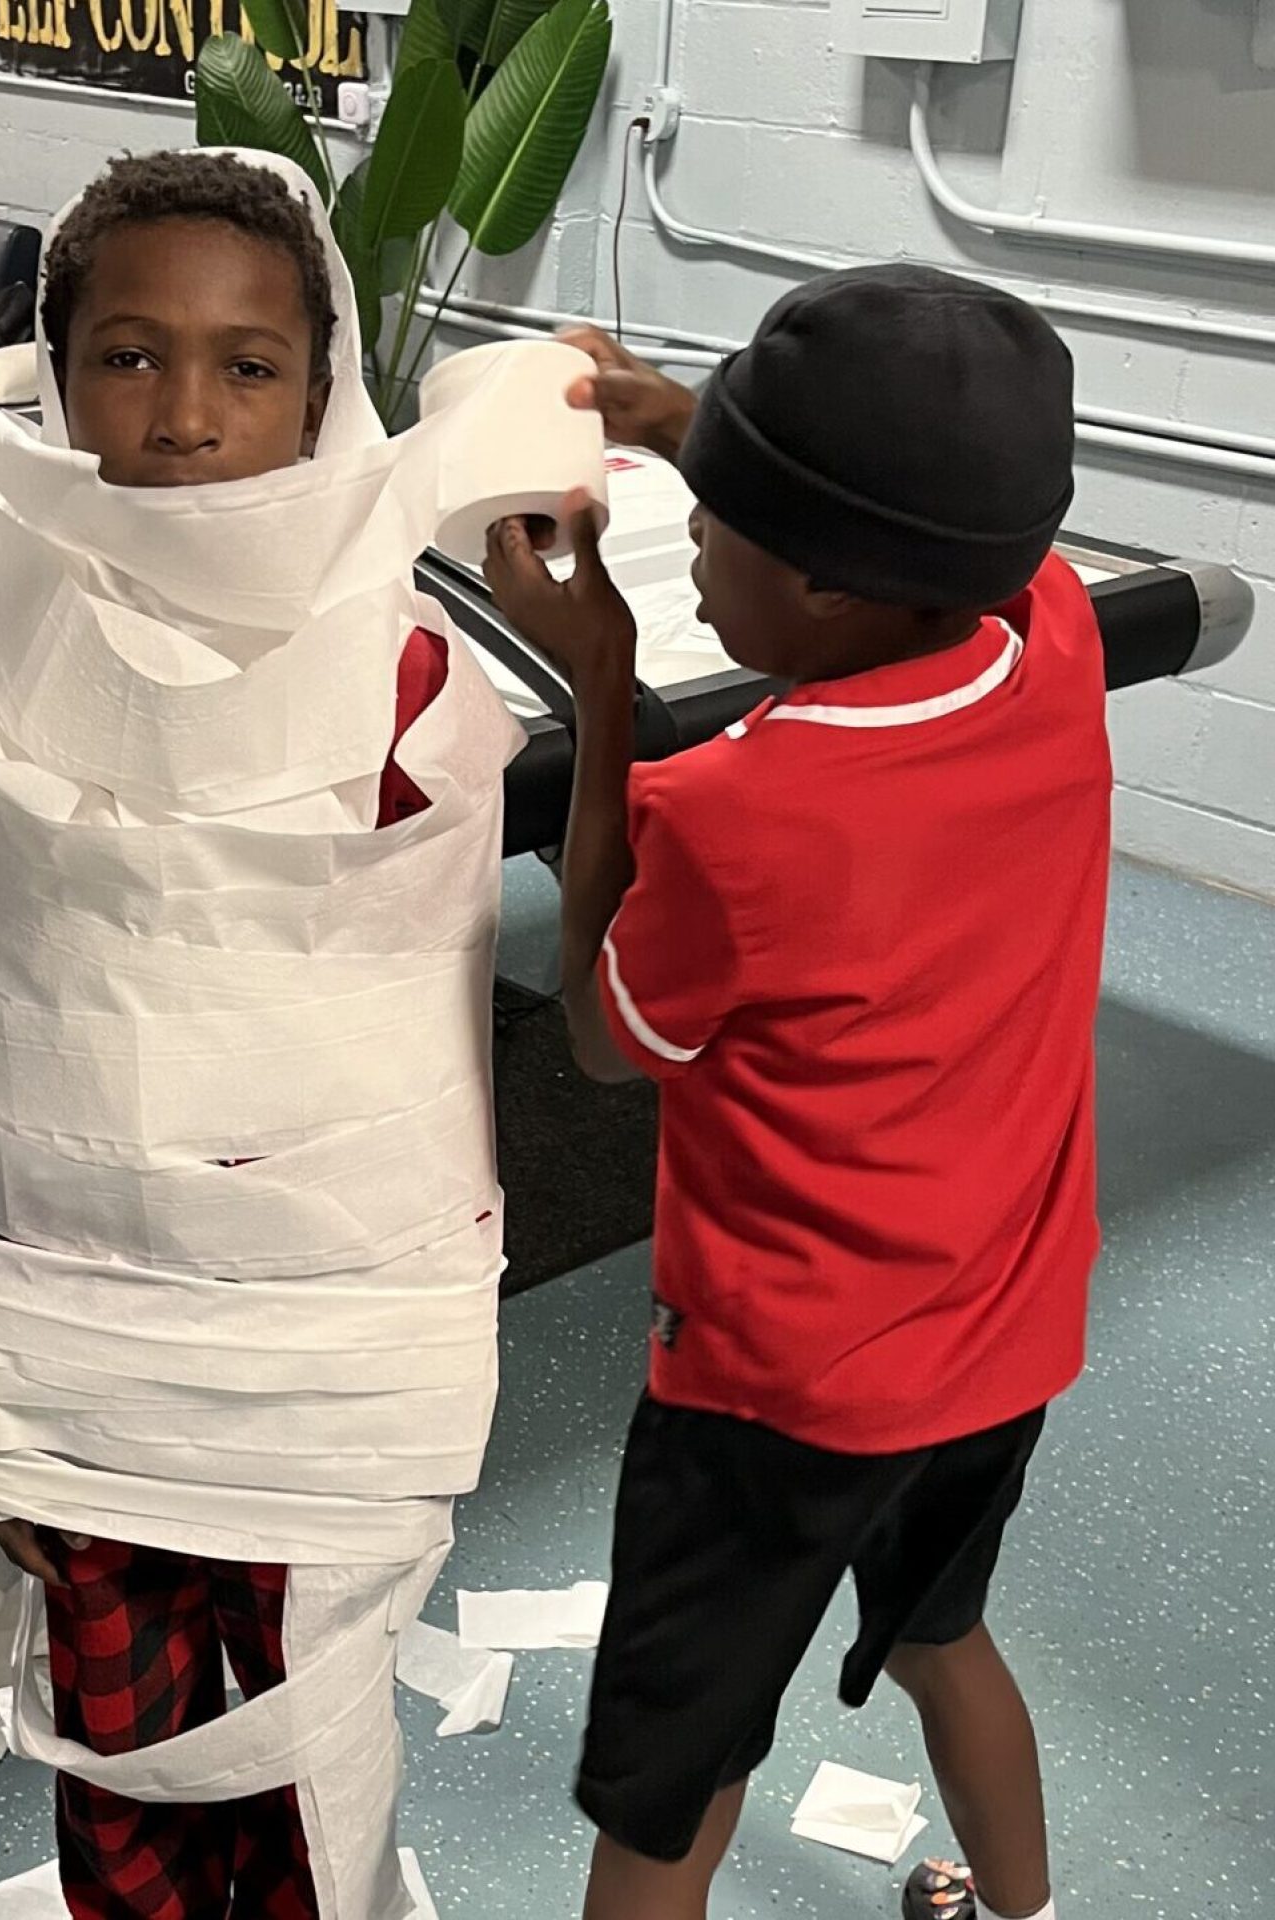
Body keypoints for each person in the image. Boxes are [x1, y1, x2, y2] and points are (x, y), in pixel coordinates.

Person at [0, 150, 526, 1919]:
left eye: (248, 365)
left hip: (333, 1334)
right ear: (56, 371)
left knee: (313, 1730)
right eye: (128, 355)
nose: (181, 418)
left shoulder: (410, 686)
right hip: (63, 1325)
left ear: (324, 393)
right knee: (121, 1735)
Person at [484, 267, 1105, 1920]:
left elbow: (608, 1042)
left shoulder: (742, 813)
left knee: (673, 1780)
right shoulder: (1049, 639)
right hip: (998, 1334)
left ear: (829, 579)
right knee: (940, 1631)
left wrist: (603, 682)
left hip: (778, 1398)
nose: (692, 532)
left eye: (719, 517)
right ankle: (1020, 1909)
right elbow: (932, 525)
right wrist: (686, 422)